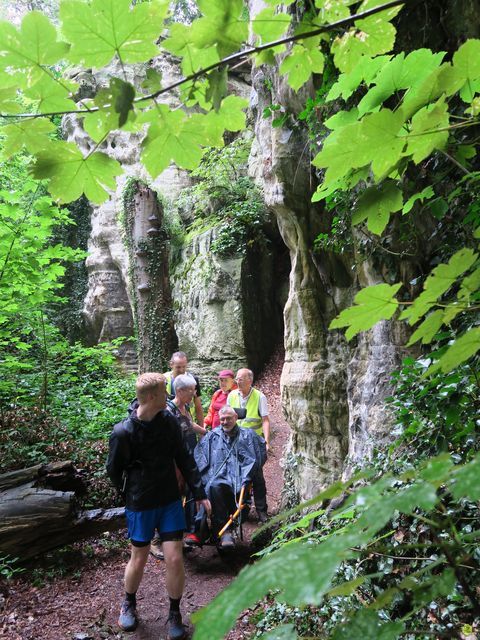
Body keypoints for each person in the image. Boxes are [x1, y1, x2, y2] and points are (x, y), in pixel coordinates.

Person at [106, 372, 211, 640]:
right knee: (138, 558)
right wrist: (129, 491)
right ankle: (129, 602)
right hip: (141, 501)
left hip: (168, 499)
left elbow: (184, 457)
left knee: (175, 558)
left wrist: (199, 492)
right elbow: (113, 471)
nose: (170, 394)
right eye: (165, 390)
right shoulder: (123, 432)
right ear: (152, 396)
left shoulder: (169, 422)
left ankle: (174, 613)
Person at [194, 405, 266, 549]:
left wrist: (246, 474)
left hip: (240, 477)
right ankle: (221, 529)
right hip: (217, 477)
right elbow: (200, 457)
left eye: (228, 418)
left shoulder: (249, 435)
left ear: (235, 418)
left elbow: (256, 458)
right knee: (212, 486)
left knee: (241, 484)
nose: (225, 422)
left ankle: (224, 528)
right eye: (222, 419)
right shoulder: (212, 436)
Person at [166, 373, 206, 547]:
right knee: (175, 494)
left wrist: (208, 433)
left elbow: (190, 425)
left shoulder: (185, 407)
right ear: (180, 390)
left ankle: (188, 531)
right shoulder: (169, 411)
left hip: (187, 457)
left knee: (190, 491)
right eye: (191, 390)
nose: (194, 393)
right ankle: (172, 537)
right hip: (174, 463)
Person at [227, 368, 270, 522]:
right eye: (237, 379)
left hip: (254, 443)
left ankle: (261, 510)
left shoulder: (260, 397)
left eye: (241, 379)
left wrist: (266, 441)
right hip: (235, 442)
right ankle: (241, 510)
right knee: (237, 475)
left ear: (249, 380)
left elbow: (265, 420)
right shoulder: (231, 396)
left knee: (257, 476)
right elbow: (227, 418)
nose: (237, 381)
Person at [164, 351, 204, 426]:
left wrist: (202, 430)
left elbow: (198, 407)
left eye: (184, 367)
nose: (181, 370)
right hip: (168, 422)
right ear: (171, 364)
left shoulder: (193, 380)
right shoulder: (164, 379)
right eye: (178, 367)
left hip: (188, 422)